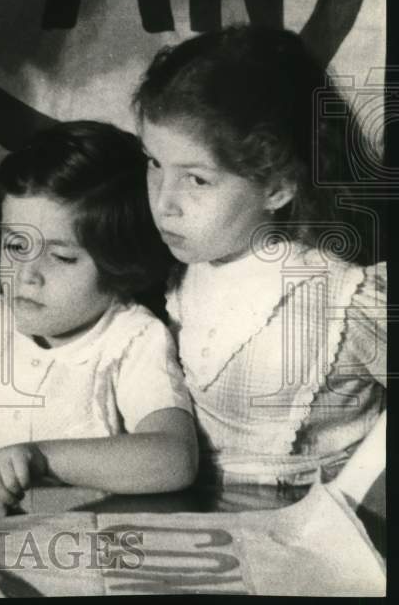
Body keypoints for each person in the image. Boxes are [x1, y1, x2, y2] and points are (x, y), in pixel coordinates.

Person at [0, 121, 198, 516]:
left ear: (120, 266)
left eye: (61, 257)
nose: (27, 273)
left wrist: (40, 458)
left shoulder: (131, 337)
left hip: (84, 547)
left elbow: (174, 458)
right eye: (16, 244)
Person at [134, 25, 387, 488]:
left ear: (276, 186)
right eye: (153, 162)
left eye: (197, 179)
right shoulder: (177, 272)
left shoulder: (344, 298)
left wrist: (361, 495)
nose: (163, 201)